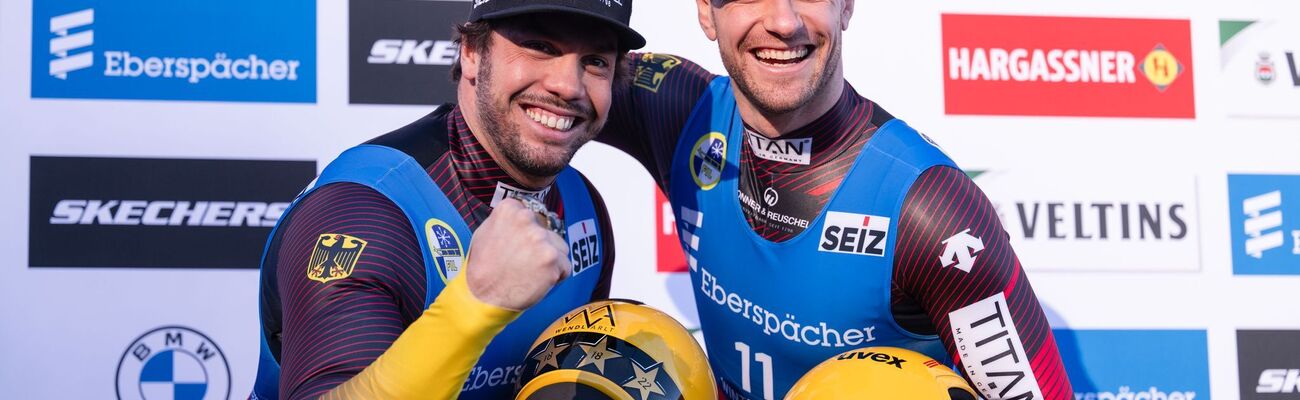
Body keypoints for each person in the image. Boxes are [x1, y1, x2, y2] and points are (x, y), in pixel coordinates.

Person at [597, 0, 1073, 399]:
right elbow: (544, 88)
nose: (783, 22)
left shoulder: (930, 208)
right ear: (706, 11)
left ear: (845, 5)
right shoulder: (678, 107)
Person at [250, 1, 646, 398]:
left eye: (595, 61)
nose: (569, 86)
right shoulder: (362, 209)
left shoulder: (583, 204)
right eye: (540, 46)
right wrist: (475, 303)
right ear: (471, 53)